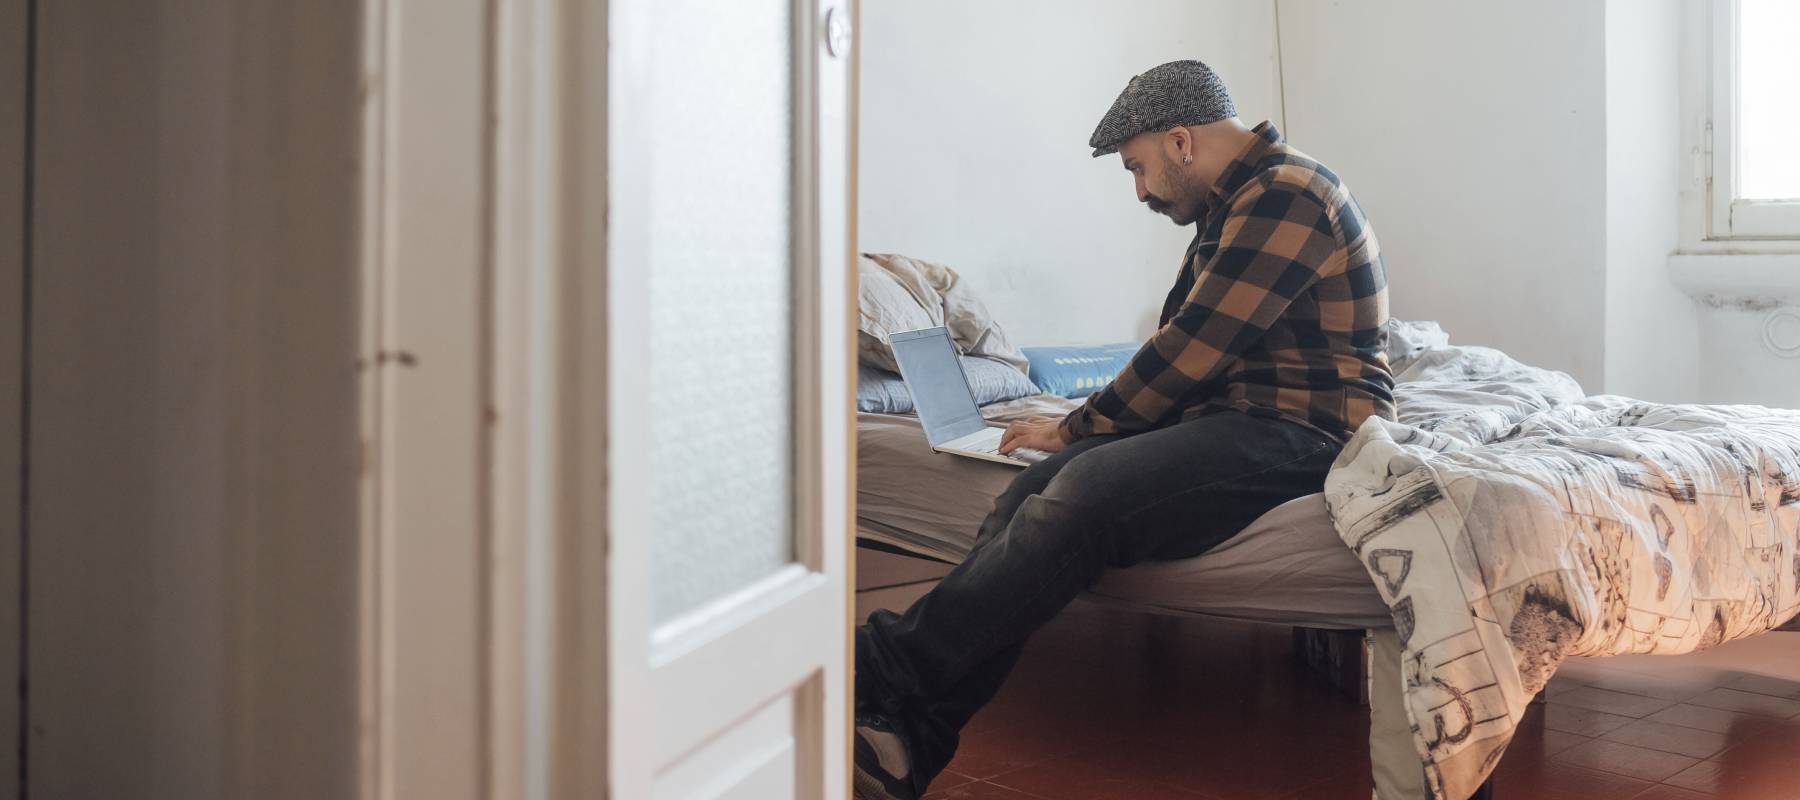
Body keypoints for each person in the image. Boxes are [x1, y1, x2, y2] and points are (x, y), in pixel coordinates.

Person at [852, 59, 1398, 800]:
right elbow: (1191, 354)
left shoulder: (1287, 195)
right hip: (1247, 416)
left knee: (1076, 494)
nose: (1139, 190)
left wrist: (1081, 427)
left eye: (1137, 168)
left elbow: (1192, 347)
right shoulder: (1243, 201)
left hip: (1308, 428)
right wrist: (1082, 430)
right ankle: (911, 736)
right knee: (1027, 495)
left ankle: (883, 671)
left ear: (1181, 142)